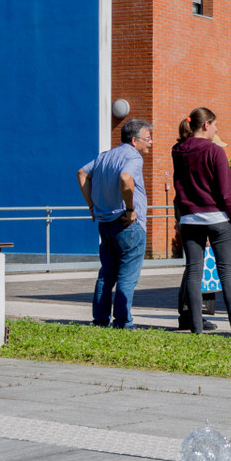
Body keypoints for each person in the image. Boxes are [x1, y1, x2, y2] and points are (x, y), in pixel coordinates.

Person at [173, 107, 231, 340]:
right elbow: (227, 192)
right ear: (205, 125)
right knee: (227, 272)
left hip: (189, 218)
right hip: (216, 217)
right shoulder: (214, 151)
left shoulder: (177, 150)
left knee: (193, 273)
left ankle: (196, 329)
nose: (216, 129)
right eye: (215, 124)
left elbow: (178, 185)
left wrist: (180, 216)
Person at [77, 118, 152, 328]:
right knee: (127, 276)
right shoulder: (134, 157)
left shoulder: (105, 156)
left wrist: (92, 205)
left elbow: (82, 173)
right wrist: (130, 209)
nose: (151, 142)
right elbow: (126, 177)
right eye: (147, 138)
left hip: (105, 223)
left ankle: (100, 320)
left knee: (106, 275)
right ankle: (123, 322)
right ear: (134, 140)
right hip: (127, 225)